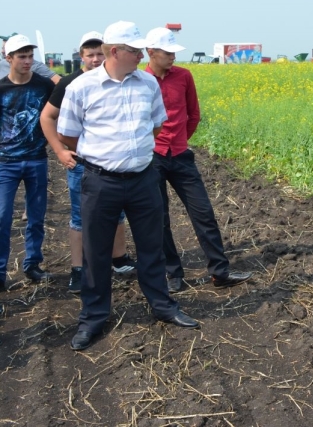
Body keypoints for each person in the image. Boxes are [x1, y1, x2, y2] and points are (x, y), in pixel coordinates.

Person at [57, 21, 199, 351]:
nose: (141, 55)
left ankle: (162, 306)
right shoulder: (82, 88)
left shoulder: (147, 84)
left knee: (151, 246)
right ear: (115, 51)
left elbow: (155, 124)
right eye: (135, 50)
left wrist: (131, 155)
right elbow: (67, 134)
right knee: (96, 251)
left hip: (142, 178)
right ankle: (93, 317)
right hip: (100, 181)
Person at [144, 27, 252, 293]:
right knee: (160, 218)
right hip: (152, 158)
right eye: (167, 52)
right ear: (151, 52)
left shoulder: (184, 76)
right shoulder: (140, 80)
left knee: (203, 212)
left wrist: (181, 138)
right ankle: (173, 274)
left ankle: (220, 271)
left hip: (181, 154)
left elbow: (193, 114)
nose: (172, 57)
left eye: (173, 52)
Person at [40, 32, 137, 295]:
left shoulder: (120, 80)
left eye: (99, 54)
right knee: (79, 217)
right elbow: (47, 117)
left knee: (118, 212)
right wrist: (60, 151)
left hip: (111, 165)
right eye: (89, 54)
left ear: (108, 53)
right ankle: (78, 269)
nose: (95, 59)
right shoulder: (71, 83)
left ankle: (119, 260)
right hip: (82, 163)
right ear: (81, 56)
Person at [0, 34, 55, 290]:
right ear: (8, 58)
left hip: (36, 159)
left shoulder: (45, 86)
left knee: (36, 216)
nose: (27, 61)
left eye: (31, 56)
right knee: (2, 216)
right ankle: (1, 271)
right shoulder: (1, 89)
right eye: (22, 56)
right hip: (5, 163)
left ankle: (32, 264)